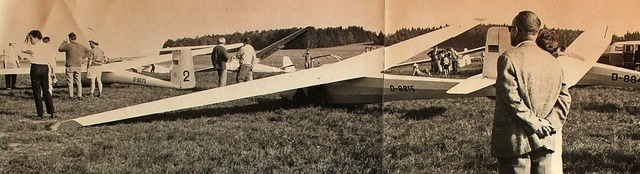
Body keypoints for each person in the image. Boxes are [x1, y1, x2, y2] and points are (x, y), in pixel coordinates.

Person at [492, 11, 571, 173]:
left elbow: (511, 99)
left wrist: (534, 124)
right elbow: (564, 98)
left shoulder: (509, 58)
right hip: (545, 141)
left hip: (515, 143)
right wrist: (549, 124)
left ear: (515, 30)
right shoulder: (553, 61)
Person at [22, 30, 56, 118]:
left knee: (37, 91)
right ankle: (52, 112)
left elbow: (22, 49)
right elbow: (52, 59)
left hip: (35, 67)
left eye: (31, 38)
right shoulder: (47, 46)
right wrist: (53, 70)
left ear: (36, 38)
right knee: (46, 90)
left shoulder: (33, 47)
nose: (30, 40)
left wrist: (25, 40)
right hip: (45, 68)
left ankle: (40, 113)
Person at [58, 32, 91, 98]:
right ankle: (79, 95)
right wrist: (82, 57)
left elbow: (60, 49)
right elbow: (89, 52)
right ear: (75, 38)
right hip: (78, 65)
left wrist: (64, 42)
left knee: (70, 81)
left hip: (70, 65)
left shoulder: (68, 45)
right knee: (78, 81)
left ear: (70, 38)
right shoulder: (80, 46)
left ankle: (71, 95)